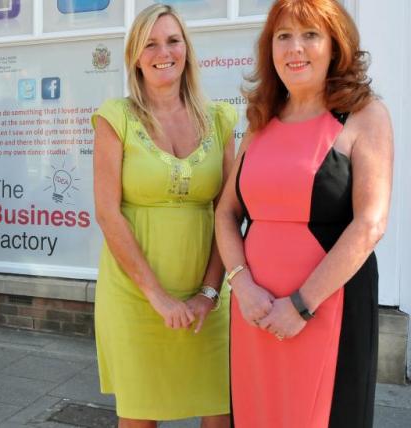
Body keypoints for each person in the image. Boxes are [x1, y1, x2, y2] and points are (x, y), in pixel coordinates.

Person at [215, 1, 393, 427]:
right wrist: (242, 287)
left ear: (335, 45)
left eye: (310, 34)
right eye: (283, 36)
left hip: (327, 309)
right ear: (270, 49)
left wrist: (300, 306)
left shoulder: (365, 116)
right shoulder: (261, 121)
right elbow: (225, 213)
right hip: (255, 314)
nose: (296, 48)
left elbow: (370, 224)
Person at [92, 4, 236, 426]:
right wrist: (157, 296)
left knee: (220, 408)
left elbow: (228, 211)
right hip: (135, 295)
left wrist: (209, 293)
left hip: (209, 297)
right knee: (141, 415)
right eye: (150, 43)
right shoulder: (114, 117)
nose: (163, 52)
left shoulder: (221, 119)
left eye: (173, 40)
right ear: (135, 56)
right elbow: (107, 213)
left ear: (186, 49)